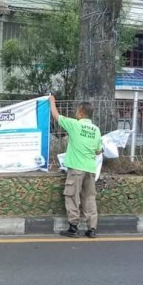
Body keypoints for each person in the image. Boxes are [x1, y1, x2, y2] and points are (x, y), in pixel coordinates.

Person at [49, 96, 103, 238]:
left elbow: (56, 116)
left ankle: (73, 227)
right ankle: (92, 229)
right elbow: (99, 151)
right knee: (89, 198)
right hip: (90, 169)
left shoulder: (74, 125)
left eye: (77, 111)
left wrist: (51, 102)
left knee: (72, 196)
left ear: (80, 113)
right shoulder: (96, 130)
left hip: (76, 169)